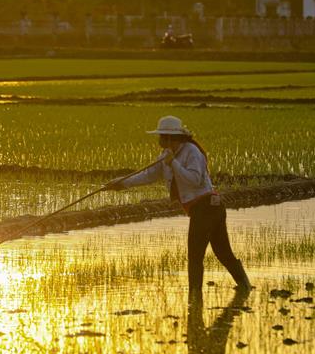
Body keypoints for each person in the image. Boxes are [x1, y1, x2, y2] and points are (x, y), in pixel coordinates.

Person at [105, 115, 251, 295]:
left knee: (197, 255)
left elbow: (195, 180)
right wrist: (120, 184)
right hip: (203, 208)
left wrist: (173, 163)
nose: (159, 140)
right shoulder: (166, 155)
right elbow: (148, 175)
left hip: (207, 207)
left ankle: (195, 297)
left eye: (161, 136)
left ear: (171, 137)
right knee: (222, 252)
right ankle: (245, 286)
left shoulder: (191, 152)